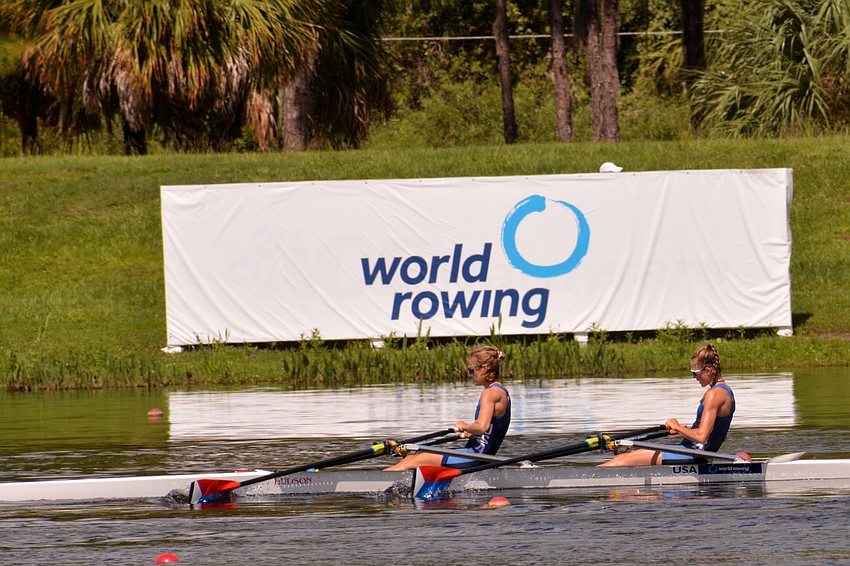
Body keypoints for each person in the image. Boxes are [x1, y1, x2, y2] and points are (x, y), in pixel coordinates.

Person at [599, 343, 734, 466]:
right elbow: (715, 432)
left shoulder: (714, 395)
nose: (694, 378)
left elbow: (701, 437)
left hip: (696, 453)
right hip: (694, 450)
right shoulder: (726, 391)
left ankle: (587, 481)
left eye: (695, 373)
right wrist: (685, 430)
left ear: (708, 370)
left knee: (620, 461)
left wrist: (677, 428)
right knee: (632, 455)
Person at [384, 345, 510, 471]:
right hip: (482, 454)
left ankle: (373, 484)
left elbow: (482, 427)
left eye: (471, 370)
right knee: (416, 456)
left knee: (410, 460)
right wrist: (472, 433)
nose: (470, 374)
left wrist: (464, 425)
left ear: (484, 368)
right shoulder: (502, 392)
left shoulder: (489, 394)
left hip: (477, 455)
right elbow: (492, 431)